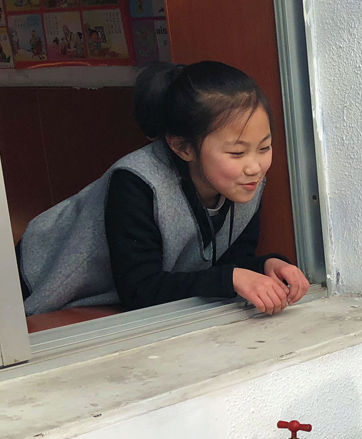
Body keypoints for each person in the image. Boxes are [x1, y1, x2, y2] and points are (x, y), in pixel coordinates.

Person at [20, 60, 308, 317]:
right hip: (31, 277)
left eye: (264, 147)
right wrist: (233, 277)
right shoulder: (136, 182)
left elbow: (232, 264)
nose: (255, 166)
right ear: (182, 147)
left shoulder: (244, 182)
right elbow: (140, 289)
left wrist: (269, 266)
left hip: (114, 296)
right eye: (237, 153)